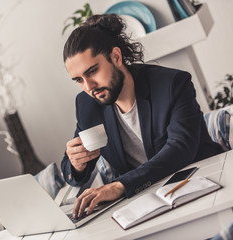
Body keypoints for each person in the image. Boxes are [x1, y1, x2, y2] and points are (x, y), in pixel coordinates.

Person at [60, 14, 223, 219]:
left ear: (116, 57)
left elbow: (181, 149)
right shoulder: (87, 104)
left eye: (92, 71)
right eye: (79, 80)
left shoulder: (172, 84)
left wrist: (121, 185)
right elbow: (73, 173)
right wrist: (76, 164)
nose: (88, 87)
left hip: (201, 184)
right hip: (144, 203)